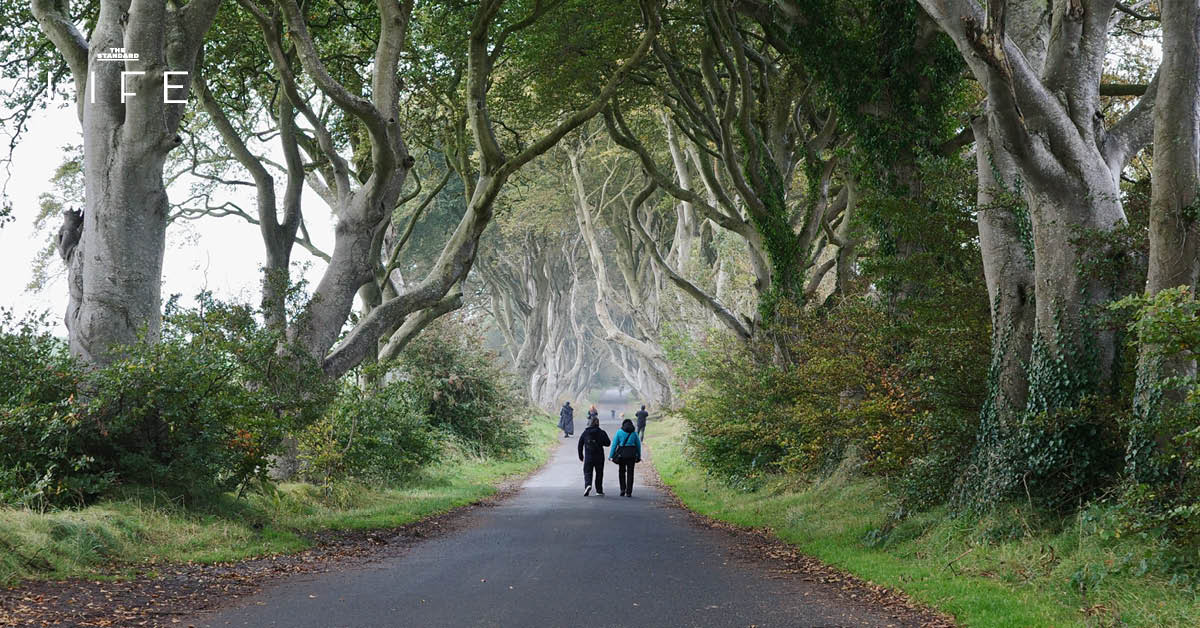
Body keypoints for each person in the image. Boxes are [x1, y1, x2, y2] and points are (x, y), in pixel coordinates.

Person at [577, 416, 610, 496]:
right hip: (599, 457)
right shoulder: (602, 432)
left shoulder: (585, 433)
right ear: (598, 423)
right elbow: (608, 443)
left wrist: (581, 456)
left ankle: (588, 485)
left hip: (589, 456)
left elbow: (580, 445)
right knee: (599, 473)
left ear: (589, 423)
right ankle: (599, 490)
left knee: (588, 472)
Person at [609, 418, 642, 497]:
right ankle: (629, 492)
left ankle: (622, 489)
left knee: (621, 472)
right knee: (630, 473)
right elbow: (638, 445)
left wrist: (611, 456)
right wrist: (639, 456)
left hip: (622, 454)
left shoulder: (619, 432)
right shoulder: (634, 433)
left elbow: (614, 445)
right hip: (631, 454)